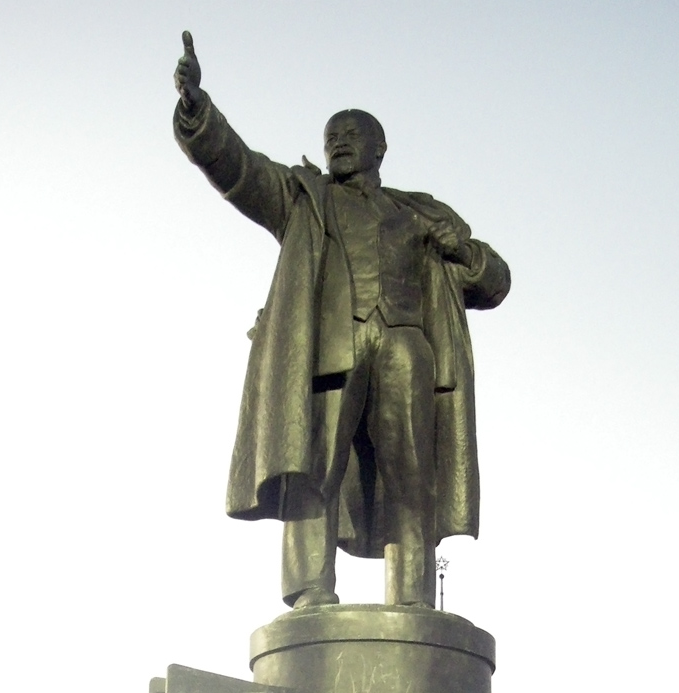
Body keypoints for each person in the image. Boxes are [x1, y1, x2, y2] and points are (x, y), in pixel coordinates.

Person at [172, 33, 510, 610]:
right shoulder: (304, 197)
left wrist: (464, 251)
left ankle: (412, 601)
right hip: (331, 345)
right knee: (314, 465)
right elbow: (240, 171)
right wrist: (197, 113)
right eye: (331, 138)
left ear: (380, 148)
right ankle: (309, 590)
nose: (338, 144)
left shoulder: (419, 211)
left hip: (406, 342)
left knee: (412, 474)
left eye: (351, 136)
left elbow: (493, 282)